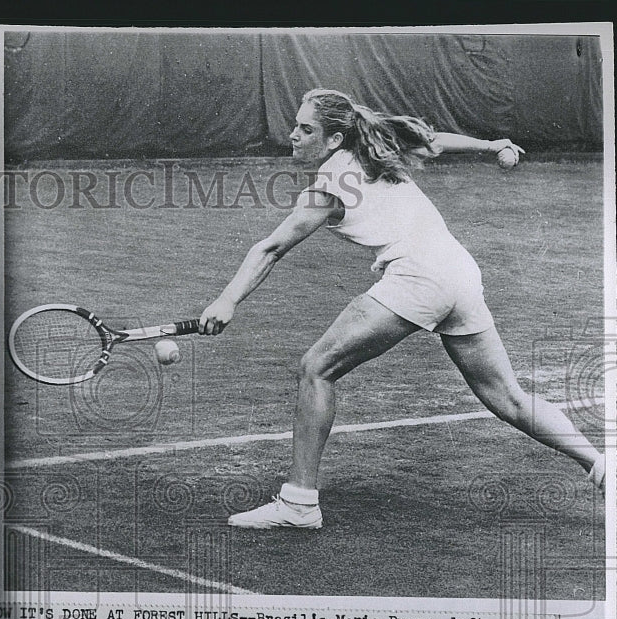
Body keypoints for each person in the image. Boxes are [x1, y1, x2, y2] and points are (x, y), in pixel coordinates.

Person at [199, 88, 604, 529]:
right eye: (296, 125)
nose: (292, 135)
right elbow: (434, 142)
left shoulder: (334, 183)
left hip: (419, 278)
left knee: (317, 367)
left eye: (305, 129)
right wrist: (491, 146)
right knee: (506, 397)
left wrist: (227, 300)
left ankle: (298, 504)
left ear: (334, 140)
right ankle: (602, 466)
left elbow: (272, 248)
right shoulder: (376, 147)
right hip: (459, 273)